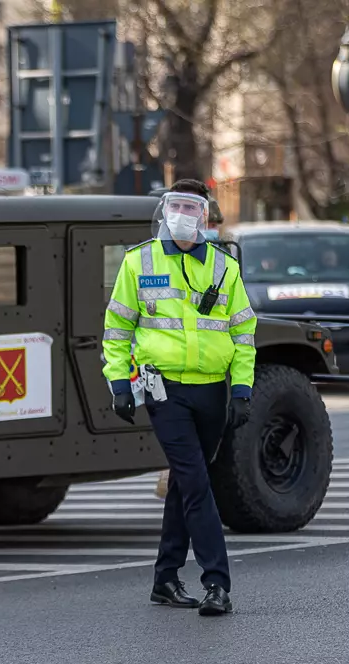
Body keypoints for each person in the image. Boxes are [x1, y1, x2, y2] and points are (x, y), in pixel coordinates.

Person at [103, 178, 257, 616]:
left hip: (211, 391)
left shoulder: (224, 266)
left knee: (185, 484)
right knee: (196, 482)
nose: (184, 215)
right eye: (177, 206)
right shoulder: (139, 261)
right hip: (164, 390)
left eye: (193, 208)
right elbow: (117, 329)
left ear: (204, 216)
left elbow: (243, 333)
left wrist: (242, 389)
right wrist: (119, 384)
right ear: (165, 211)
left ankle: (165, 579)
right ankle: (217, 583)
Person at [155, 195, 227, 500]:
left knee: (187, 467)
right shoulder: (163, 255)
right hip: (176, 369)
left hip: (198, 367)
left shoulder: (216, 258)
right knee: (189, 469)